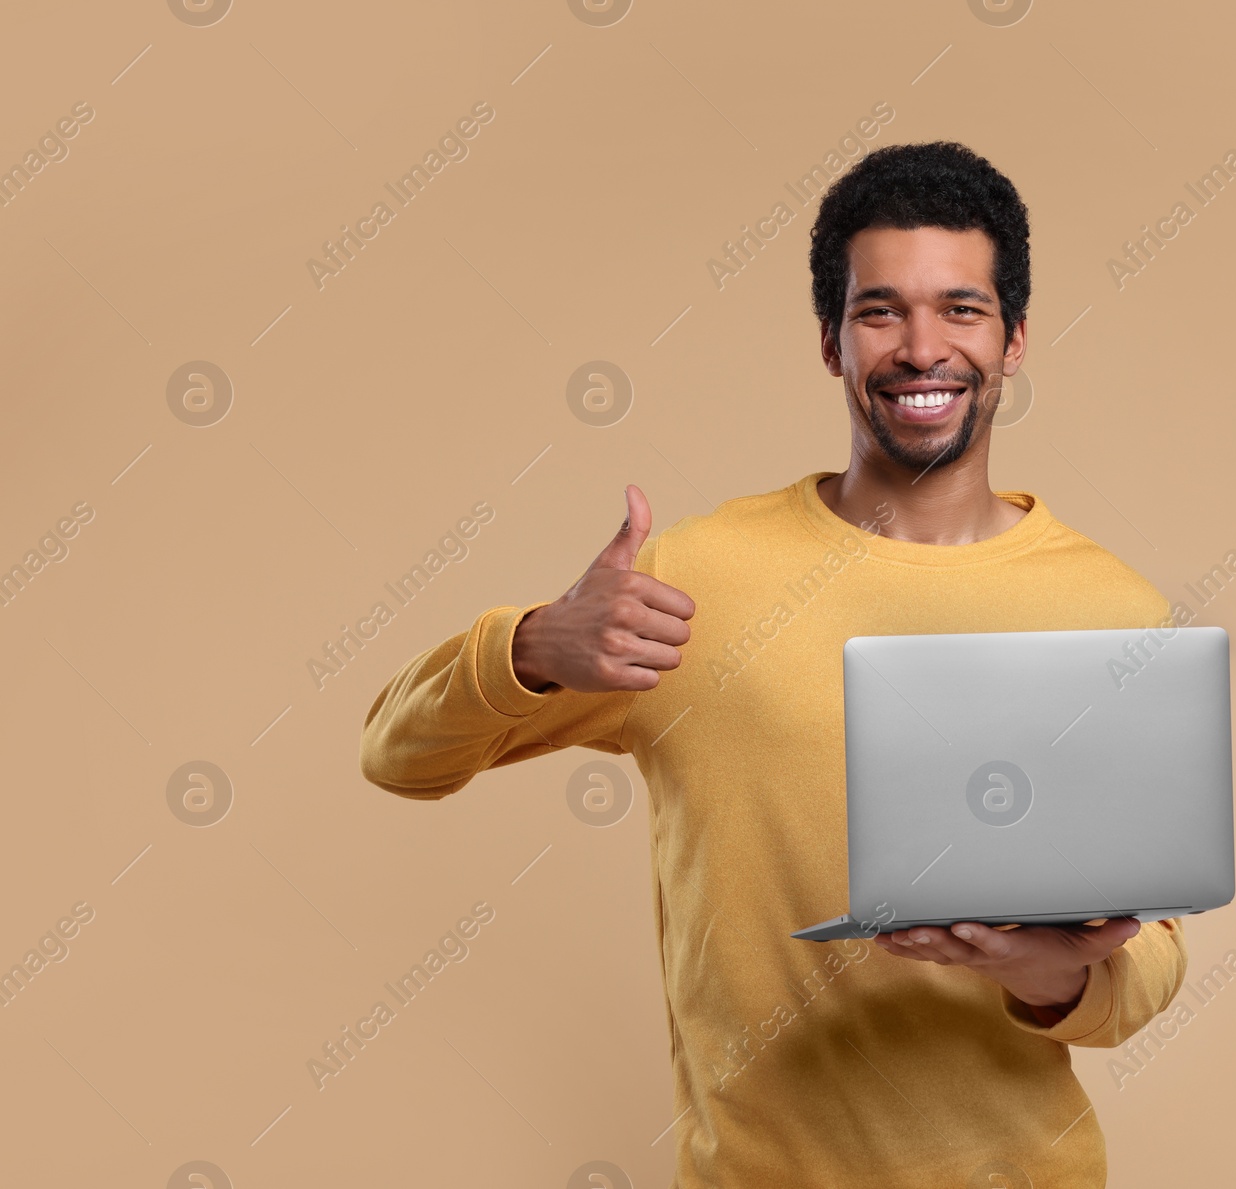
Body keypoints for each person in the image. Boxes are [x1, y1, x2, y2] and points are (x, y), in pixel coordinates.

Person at [360, 140, 1186, 1188]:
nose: (919, 346)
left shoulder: (1112, 611)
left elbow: (1148, 958)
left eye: (961, 309)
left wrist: (1045, 972)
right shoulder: (696, 578)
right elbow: (398, 753)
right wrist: (532, 643)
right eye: (879, 309)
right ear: (831, 343)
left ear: (1015, 338)